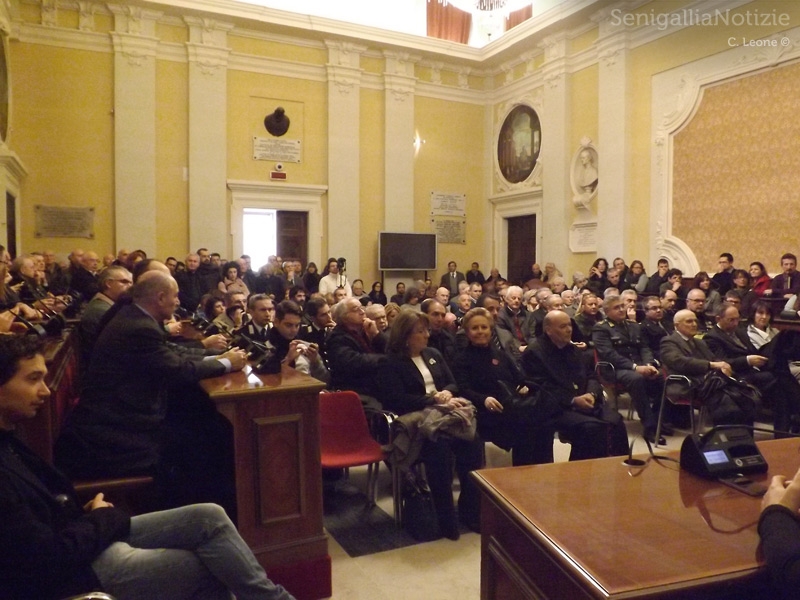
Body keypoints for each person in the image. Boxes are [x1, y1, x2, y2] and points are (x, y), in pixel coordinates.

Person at [0, 335, 295, 600]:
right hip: (75, 570)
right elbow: (45, 561)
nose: (46, 391)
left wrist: (92, 518)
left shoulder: (11, 437)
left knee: (210, 517)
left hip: (83, 533)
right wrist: (98, 520)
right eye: (33, 379)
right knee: (207, 566)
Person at [55, 271, 248, 517]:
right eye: (175, 296)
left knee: (205, 424)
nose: (178, 301)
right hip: (116, 434)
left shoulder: (136, 317)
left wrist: (216, 357)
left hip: (120, 418)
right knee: (209, 441)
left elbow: (172, 352)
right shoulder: (138, 327)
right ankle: (201, 514)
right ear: (159, 298)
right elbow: (177, 369)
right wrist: (227, 364)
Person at [378, 311, 482, 539]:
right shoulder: (390, 363)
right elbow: (395, 399)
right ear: (405, 336)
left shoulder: (432, 353)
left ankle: (470, 511)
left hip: (445, 416)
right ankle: (446, 519)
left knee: (474, 444)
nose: (427, 335)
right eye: (420, 331)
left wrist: (446, 392)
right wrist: (432, 399)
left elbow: (452, 382)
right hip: (418, 423)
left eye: (426, 330)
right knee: (440, 450)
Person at [521, 311, 627, 461]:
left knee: (616, 422)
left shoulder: (574, 350)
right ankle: (579, 475)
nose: (569, 329)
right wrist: (572, 399)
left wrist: (591, 394)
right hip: (554, 407)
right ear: (549, 330)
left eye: (569, 325)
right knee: (592, 429)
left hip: (583, 401)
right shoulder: (534, 352)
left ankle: (616, 469)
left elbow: (592, 376)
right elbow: (539, 387)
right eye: (563, 326)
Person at [452, 307, 549, 465]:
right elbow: (463, 389)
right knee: (525, 429)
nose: (480, 331)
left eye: (484, 327)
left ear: (491, 330)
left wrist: (524, 386)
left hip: (510, 406)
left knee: (544, 425)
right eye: (475, 328)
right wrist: (484, 399)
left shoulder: (501, 355)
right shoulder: (461, 360)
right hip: (483, 412)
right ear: (467, 333)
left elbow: (520, 378)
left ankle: (540, 476)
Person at [592, 295, 664, 444]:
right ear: (606, 311)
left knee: (661, 378)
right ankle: (649, 427)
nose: (621, 309)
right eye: (616, 307)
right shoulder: (601, 328)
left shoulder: (633, 325)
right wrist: (636, 367)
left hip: (638, 365)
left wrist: (649, 364)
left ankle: (659, 422)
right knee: (636, 379)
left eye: (622, 306)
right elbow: (609, 354)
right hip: (615, 369)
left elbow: (644, 347)